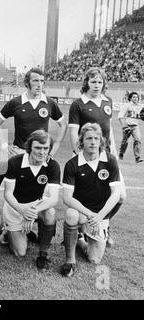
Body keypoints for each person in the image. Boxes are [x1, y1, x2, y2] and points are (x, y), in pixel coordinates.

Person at [68, 67, 126, 247]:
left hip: (106, 157)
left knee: (120, 196)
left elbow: (109, 130)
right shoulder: (78, 104)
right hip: (86, 155)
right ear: (86, 83)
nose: (97, 85)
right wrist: (80, 157)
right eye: (93, 81)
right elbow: (73, 132)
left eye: (100, 82)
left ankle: (103, 224)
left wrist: (114, 152)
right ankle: (79, 233)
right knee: (83, 196)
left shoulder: (107, 101)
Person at [60, 123, 121, 277]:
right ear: (81, 142)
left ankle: (81, 239)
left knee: (94, 259)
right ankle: (70, 260)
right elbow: (67, 198)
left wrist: (99, 216)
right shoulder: (72, 164)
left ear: (101, 141)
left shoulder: (111, 160)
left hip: (100, 214)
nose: (93, 142)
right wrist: (90, 214)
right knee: (71, 215)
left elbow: (116, 195)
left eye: (96, 138)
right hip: (82, 211)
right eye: (88, 138)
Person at [3, 130, 61, 270]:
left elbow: (54, 198)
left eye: (45, 148)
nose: (42, 152)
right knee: (20, 252)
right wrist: (23, 211)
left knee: (50, 212)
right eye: (38, 148)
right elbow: (8, 194)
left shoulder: (52, 165)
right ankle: (7, 233)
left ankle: (43, 253)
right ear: (29, 147)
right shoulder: (15, 162)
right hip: (15, 207)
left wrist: (32, 211)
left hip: (36, 206)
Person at [0, 68, 67, 158]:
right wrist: (4, 146)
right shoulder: (16, 102)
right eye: (35, 81)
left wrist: (55, 147)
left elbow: (63, 124)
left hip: (41, 154)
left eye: (42, 81)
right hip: (19, 153)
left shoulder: (50, 103)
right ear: (27, 83)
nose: (39, 84)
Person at [118, 91, 143, 163]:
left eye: (137, 97)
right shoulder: (127, 105)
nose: (135, 98)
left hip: (135, 126)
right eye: (134, 97)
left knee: (137, 140)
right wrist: (124, 126)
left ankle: (137, 158)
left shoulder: (140, 106)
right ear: (130, 98)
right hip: (127, 125)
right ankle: (121, 153)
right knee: (125, 142)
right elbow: (120, 116)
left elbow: (140, 116)